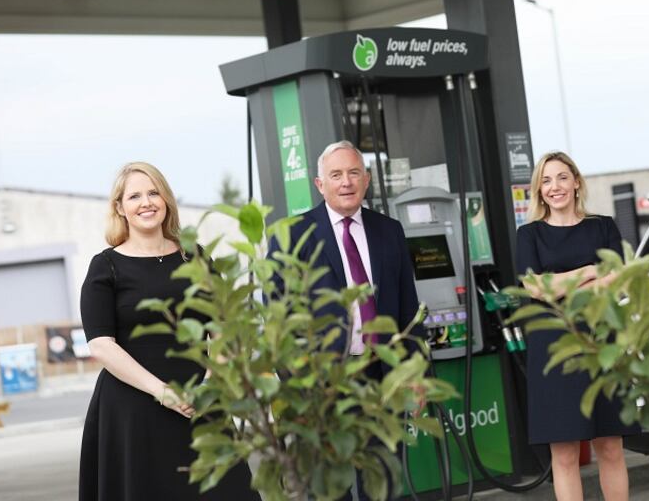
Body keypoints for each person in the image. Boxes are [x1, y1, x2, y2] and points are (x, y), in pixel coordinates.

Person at [78, 162, 258, 501]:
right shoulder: (106, 267)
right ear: (120, 208)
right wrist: (163, 392)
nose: (146, 202)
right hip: (132, 412)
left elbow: (221, 325)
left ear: (166, 200)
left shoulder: (195, 258)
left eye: (153, 192)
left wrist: (209, 381)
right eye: (134, 196)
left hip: (200, 402)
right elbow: (101, 345)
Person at [269, 140, 421, 500]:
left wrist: (415, 375)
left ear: (366, 180)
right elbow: (280, 325)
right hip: (322, 386)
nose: (346, 182)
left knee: (382, 486)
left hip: (381, 380)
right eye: (336, 175)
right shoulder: (292, 236)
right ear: (320, 185)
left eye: (354, 173)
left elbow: (408, 312)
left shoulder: (390, 231)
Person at [515, 151, 636, 501]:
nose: (556, 187)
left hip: (604, 346)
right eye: (547, 181)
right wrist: (590, 271)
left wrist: (560, 284)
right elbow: (536, 288)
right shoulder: (530, 235)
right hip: (554, 352)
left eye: (562, 177)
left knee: (611, 447)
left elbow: (621, 281)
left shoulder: (604, 227)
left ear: (576, 181)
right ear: (539, 191)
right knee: (565, 455)